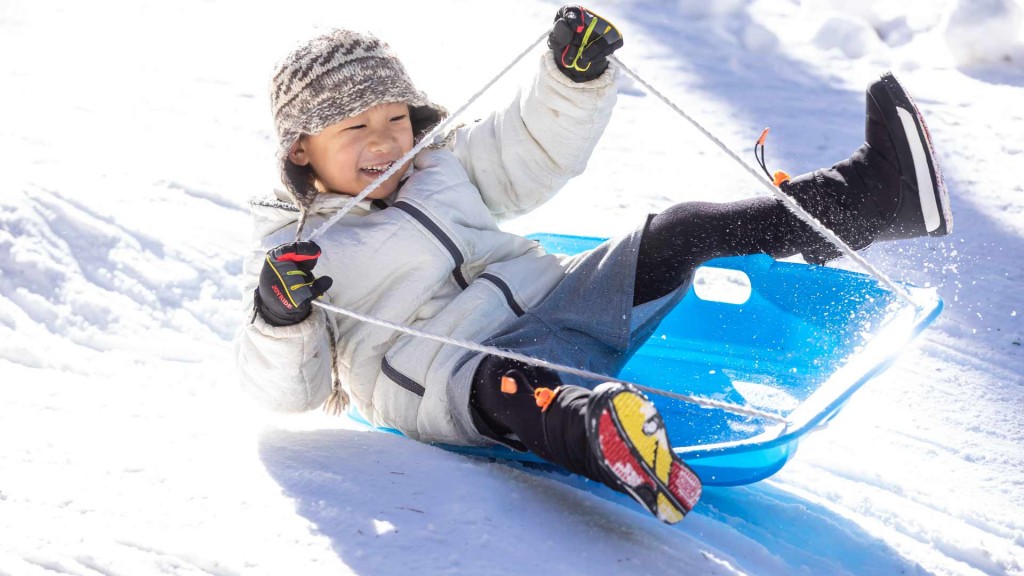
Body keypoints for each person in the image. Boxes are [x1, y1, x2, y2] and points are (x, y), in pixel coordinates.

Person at [235, 6, 952, 524]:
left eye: (395, 118)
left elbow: (527, 149)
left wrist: (569, 81)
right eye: (354, 128)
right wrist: (281, 318)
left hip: (560, 298)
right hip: (449, 373)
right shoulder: (295, 250)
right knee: (519, 390)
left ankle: (870, 201)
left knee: (679, 230)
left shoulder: (438, 166)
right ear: (301, 147)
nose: (385, 142)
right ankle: (610, 436)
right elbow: (285, 391)